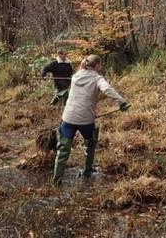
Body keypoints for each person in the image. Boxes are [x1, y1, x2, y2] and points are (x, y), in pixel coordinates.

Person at [52, 54, 130, 186]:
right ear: (97, 66)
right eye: (101, 64)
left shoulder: (76, 76)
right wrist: (121, 102)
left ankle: (56, 182)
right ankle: (88, 171)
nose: (101, 67)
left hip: (68, 119)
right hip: (85, 121)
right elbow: (107, 89)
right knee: (91, 142)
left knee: (62, 151)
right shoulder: (97, 78)